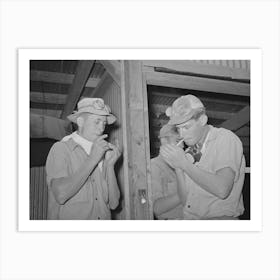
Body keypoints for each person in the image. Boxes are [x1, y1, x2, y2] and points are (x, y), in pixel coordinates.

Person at [160, 94, 245, 220]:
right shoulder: (191, 151)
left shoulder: (225, 138)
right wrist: (177, 166)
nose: (182, 134)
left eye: (186, 127)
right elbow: (185, 201)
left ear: (202, 120)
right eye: (178, 129)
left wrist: (184, 164)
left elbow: (222, 190)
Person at [45, 98, 121, 220]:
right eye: (97, 122)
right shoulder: (61, 149)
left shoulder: (102, 152)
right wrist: (92, 159)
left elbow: (114, 204)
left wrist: (110, 165)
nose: (101, 128)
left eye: (104, 123)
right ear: (80, 121)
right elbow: (61, 194)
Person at [151, 124, 184, 220]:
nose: (182, 146)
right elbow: (156, 208)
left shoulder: (183, 164)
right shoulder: (154, 166)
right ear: (164, 141)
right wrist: (183, 194)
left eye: (183, 142)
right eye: (178, 141)